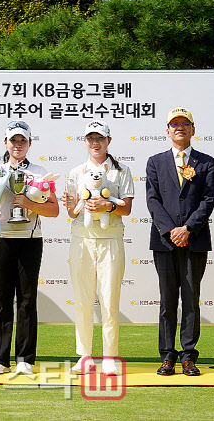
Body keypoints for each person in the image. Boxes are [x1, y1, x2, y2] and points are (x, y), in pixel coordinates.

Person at [146, 107, 214, 377]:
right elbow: (152, 200)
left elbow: (209, 200)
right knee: (167, 301)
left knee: (190, 299)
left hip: (195, 240)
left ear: (193, 130)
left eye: (185, 123)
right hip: (164, 243)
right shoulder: (155, 161)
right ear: (167, 131)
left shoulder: (206, 162)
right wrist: (171, 230)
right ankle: (167, 356)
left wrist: (187, 228)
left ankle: (188, 356)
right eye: (174, 124)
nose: (179, 127)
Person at [0, 121, 60, 376]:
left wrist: (28, 202)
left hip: (29, 239)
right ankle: (0, 358)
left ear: (29, 144)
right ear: (5, 143)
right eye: (13, 140)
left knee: (27, 299)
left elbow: (53, 209)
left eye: (23, 141)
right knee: (2, 298)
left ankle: (25, 358)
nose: (18, 145)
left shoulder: (40, 172)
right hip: (0, 238)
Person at [63, 120, 134, 376]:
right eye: (91, 138)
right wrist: (70, 205)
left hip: (110, 239)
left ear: (108, 141)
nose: (95, 142)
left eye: (100, 138)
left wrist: (108, 207)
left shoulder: (121, 171)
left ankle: (109, 357)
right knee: (82, 301)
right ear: (85, 142)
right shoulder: (75, 172)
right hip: (82, 240)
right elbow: (73, 213)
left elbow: (126, 208)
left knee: (109, 301)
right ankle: (84, 356)